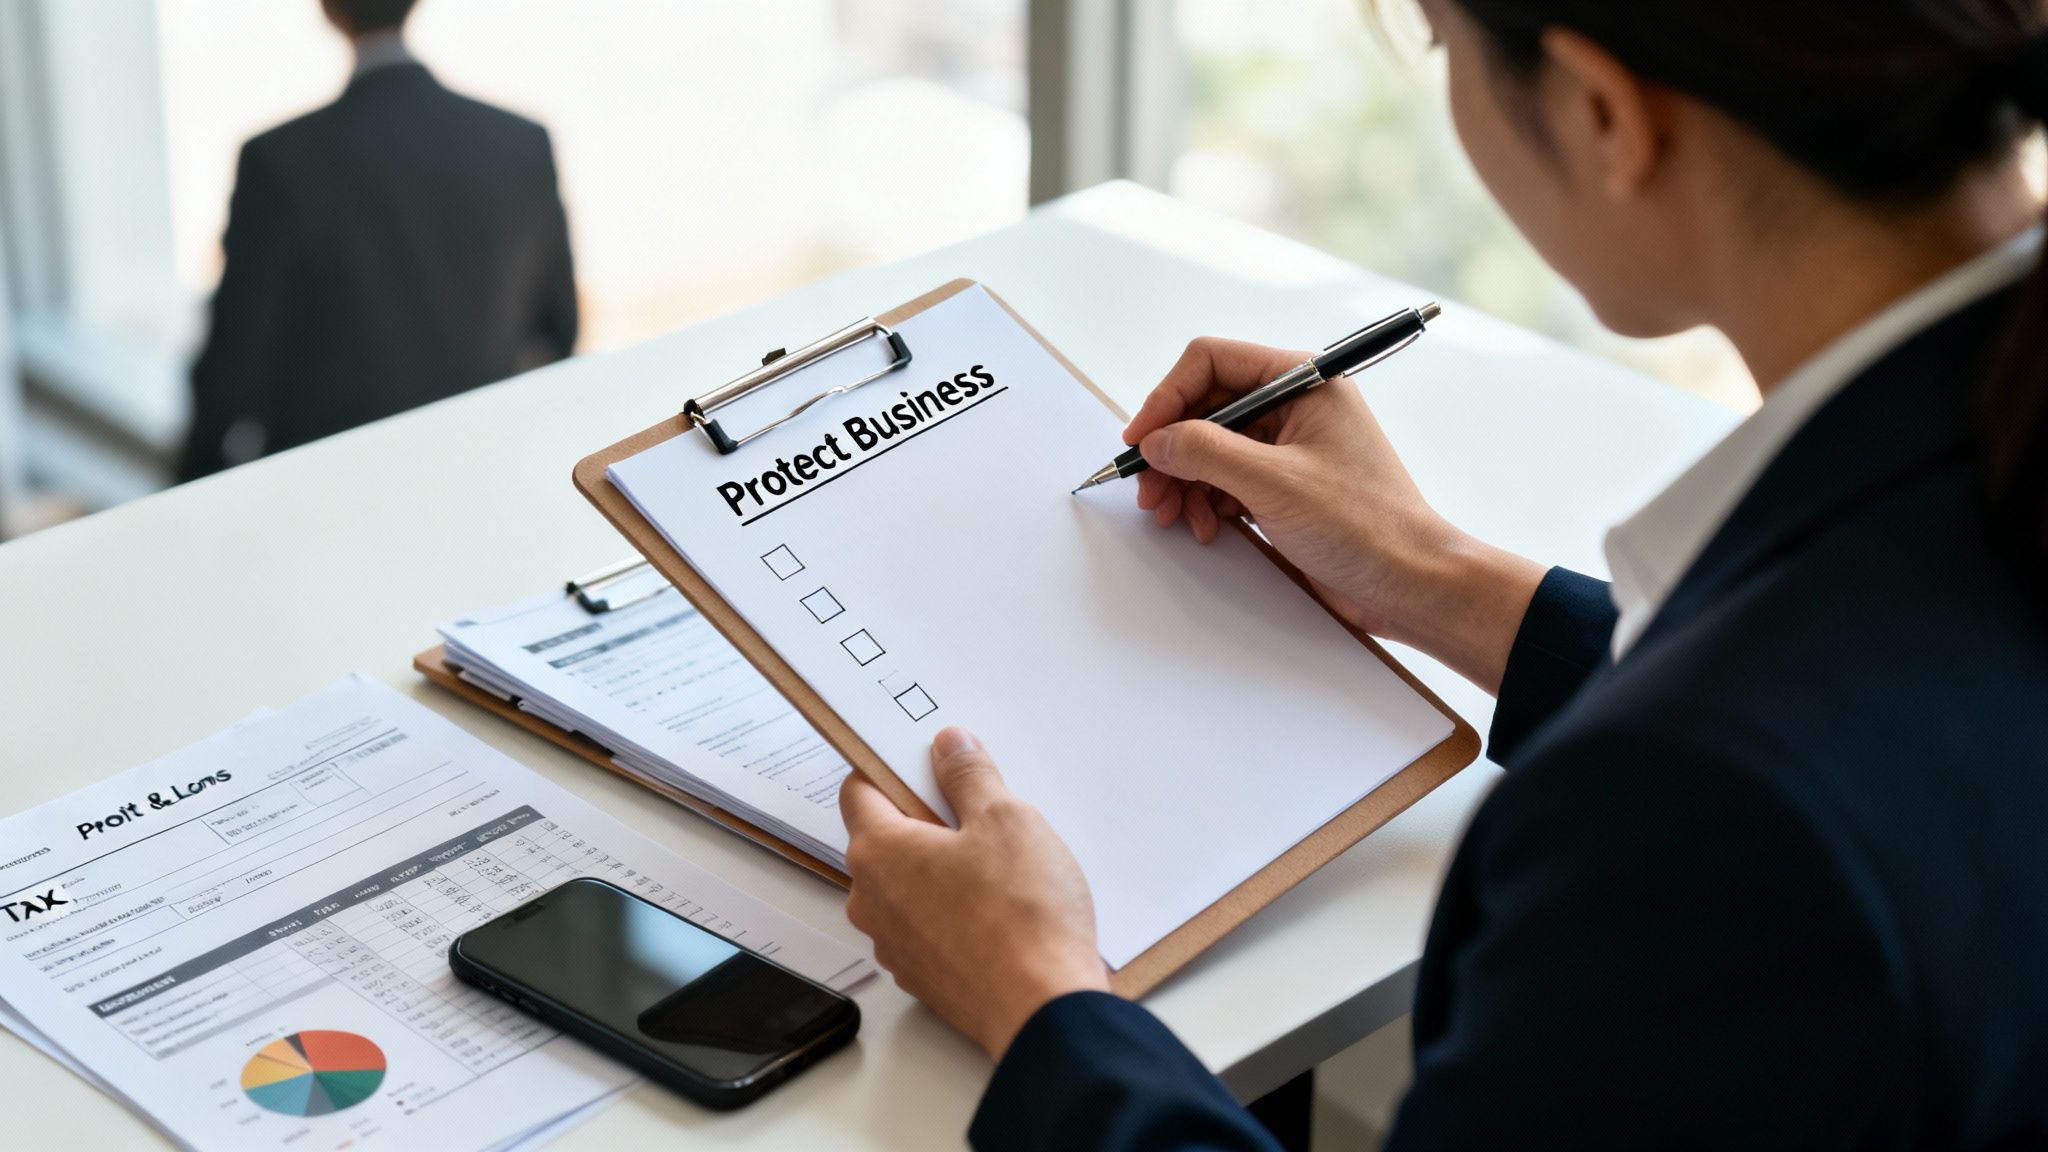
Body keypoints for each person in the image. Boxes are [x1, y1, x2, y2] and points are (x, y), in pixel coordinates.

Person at [837, 0, 2048, 1147]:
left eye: (1437, 45)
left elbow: (1769, 772)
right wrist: (1427, 572)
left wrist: (1037, 998)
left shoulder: (1699, 823)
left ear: (1599, 112)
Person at [179, 0, 578, 482]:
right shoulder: (520, 142)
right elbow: (559, 330)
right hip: (481, 467)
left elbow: (239, 354)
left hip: (328, 481)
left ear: (329, 11)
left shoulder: (281, 160)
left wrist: (194, 477)